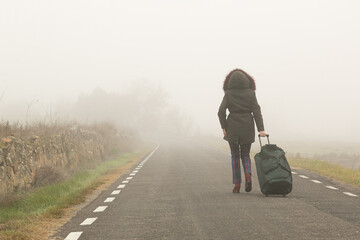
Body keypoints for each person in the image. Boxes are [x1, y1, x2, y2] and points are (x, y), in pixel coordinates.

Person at [218, 69, 266, 193]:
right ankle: (248, 175)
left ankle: (237, 184)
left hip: (232, 127)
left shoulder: (228, 94)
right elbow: (256, 111)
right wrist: (261, 129)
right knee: (245, 154)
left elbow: (221, 111)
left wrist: (224, 127)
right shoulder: (251, 93)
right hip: (247, 126)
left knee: (234, 156)